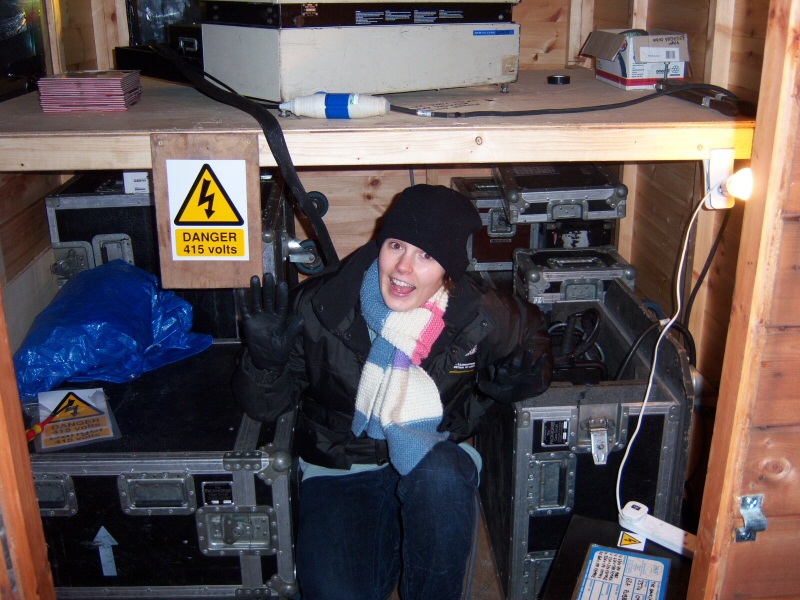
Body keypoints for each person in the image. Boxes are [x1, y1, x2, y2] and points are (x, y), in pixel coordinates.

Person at [234, 184, 552, 600]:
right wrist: (263, 362)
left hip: (432, 453)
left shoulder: (475, 312)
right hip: (340, 464)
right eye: (397, 245)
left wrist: (522, 379)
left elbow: (534, 336)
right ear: (380, 243)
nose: (403, 268)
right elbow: (266, 409)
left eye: (426, 255)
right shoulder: (320, 305)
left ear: (449, 269)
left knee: (443, 480)